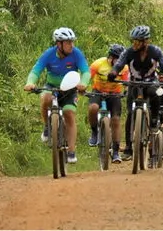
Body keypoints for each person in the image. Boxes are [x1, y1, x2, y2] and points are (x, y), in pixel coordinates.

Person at [107, 25, 163, 162]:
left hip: (150, 82)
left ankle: (154, 121)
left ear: (145, 42)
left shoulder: (156, 51)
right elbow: (119, 64)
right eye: (134, 41)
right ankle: (129, 149)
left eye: (137, 41)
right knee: (130, 114)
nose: (134, 44)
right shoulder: (129, 52)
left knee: (155, 93)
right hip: (134, 84)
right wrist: (113, 72)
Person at [23, 27, 90, 164]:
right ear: (59, 44)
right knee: (45, 98)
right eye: (68, 43)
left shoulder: (76, 53)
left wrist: (83, 83)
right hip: (52, 87)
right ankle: (47, 126)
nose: (72, 45)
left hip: (70, 90)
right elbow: (35, 71)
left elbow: (86, 71)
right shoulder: (49, 54)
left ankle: (71, 151)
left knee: (69, 113)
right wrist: (30, 83)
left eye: (72, 42)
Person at [87, 44, 128, 163]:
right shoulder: (98, 64)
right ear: (110, 57)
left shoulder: (124, 68)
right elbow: (87, 76)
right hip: (98, 92)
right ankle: (94, 132)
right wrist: (82, 87)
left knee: (115, 120)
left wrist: (126, 91)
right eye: (116, 59)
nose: (118, 62)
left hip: (114, 94)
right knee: (93, 108)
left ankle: (115, 151)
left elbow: (126, 82)